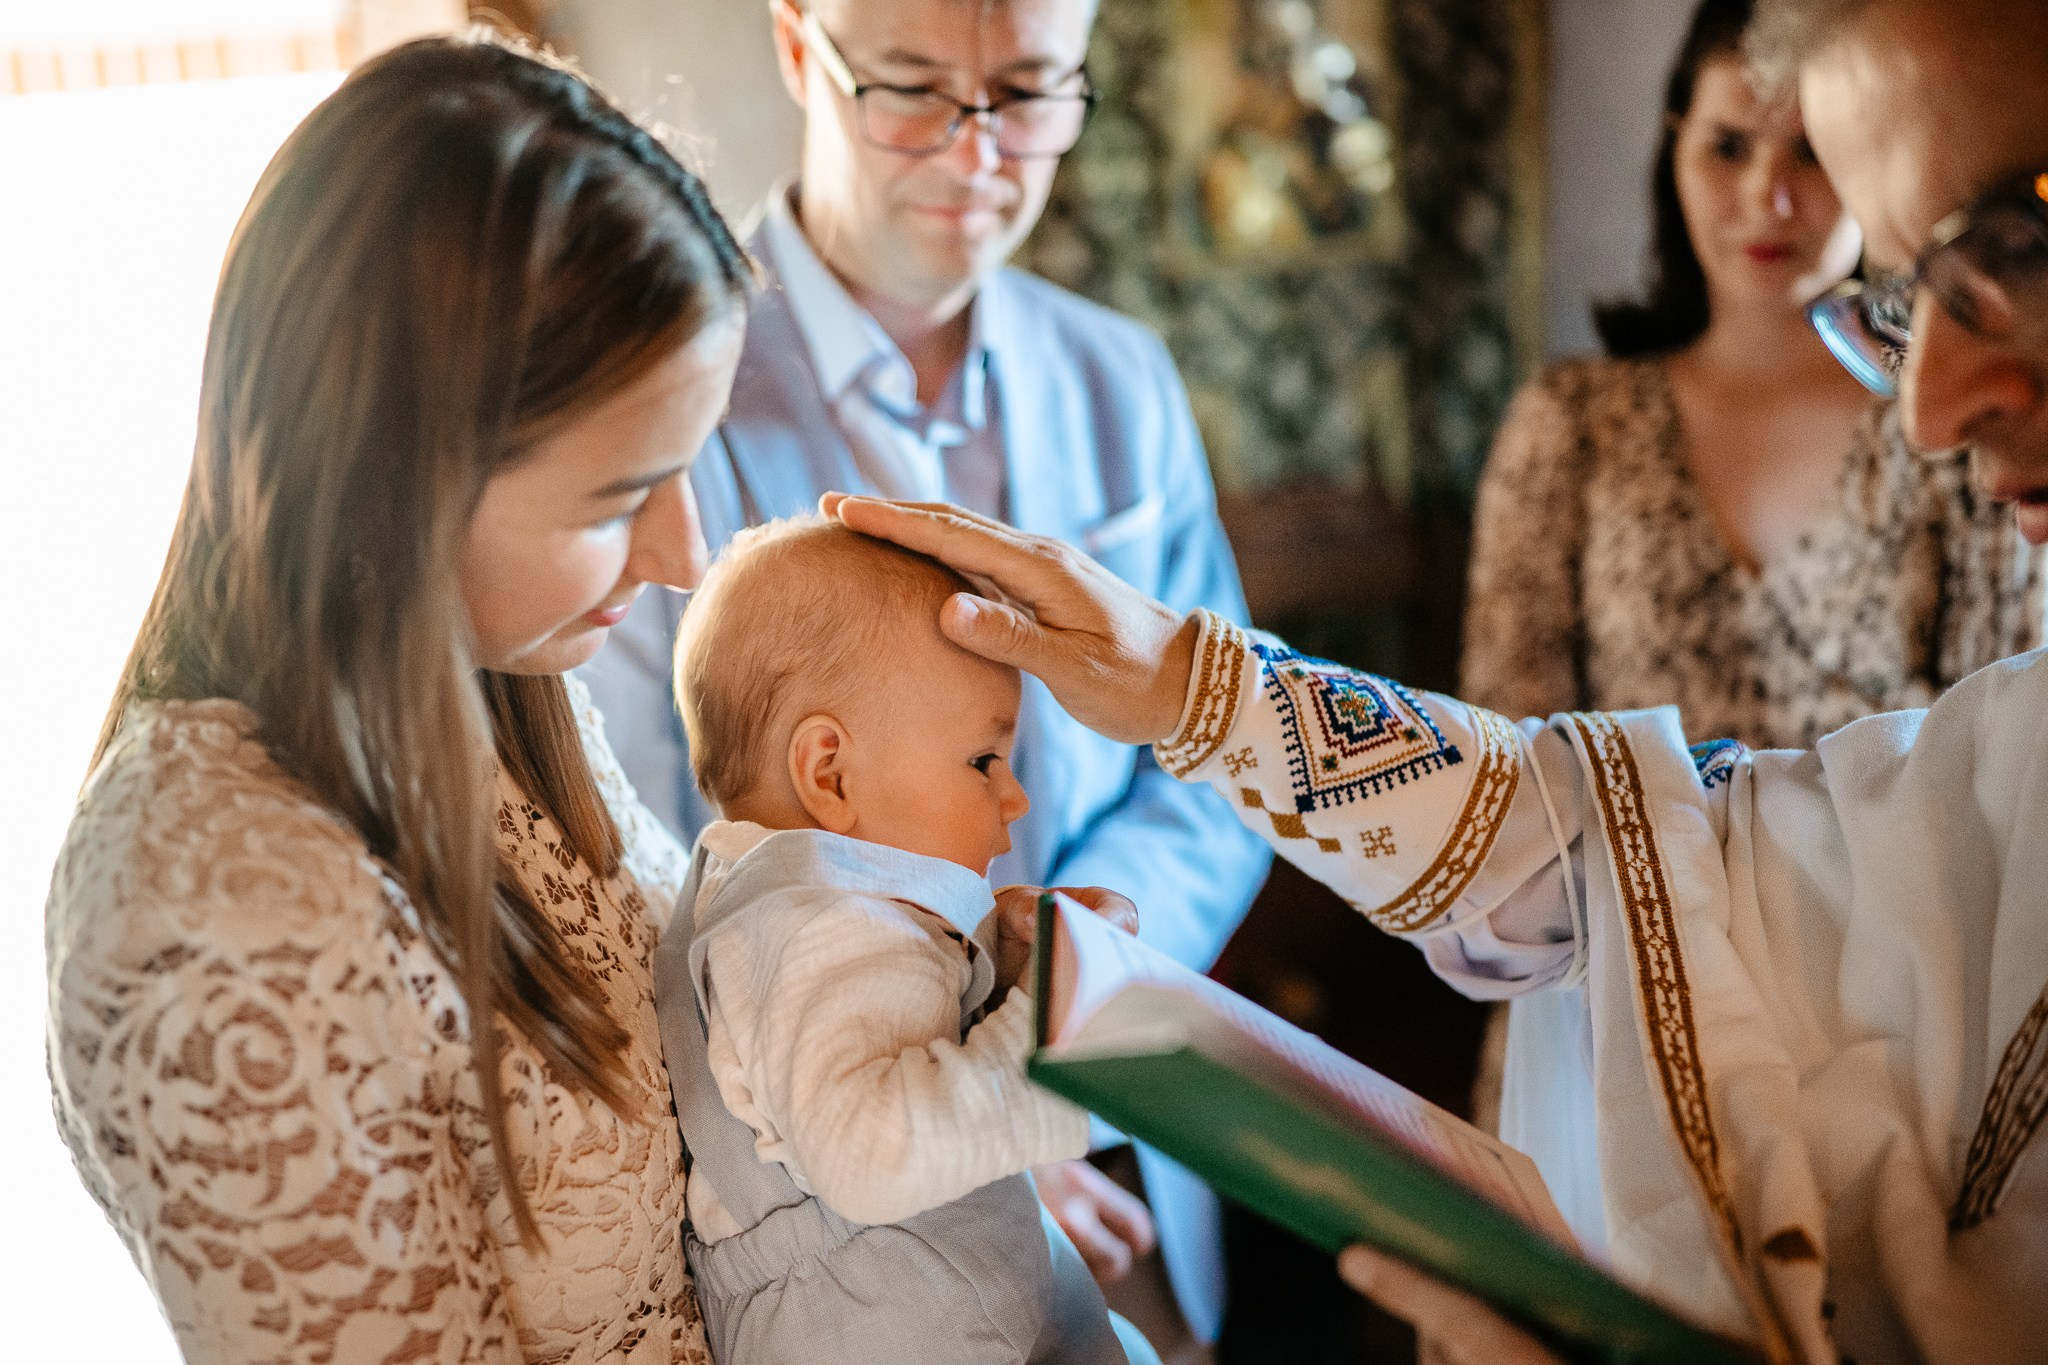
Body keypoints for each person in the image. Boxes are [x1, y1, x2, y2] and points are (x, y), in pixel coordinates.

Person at [820, 0, 2048, 1346]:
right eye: (1900, 308)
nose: (1932, 411)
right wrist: (1194, 690)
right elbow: (1666, 851)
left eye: (2012, 257)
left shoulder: (1115, 375)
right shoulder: (1589, 426)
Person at [45, 35, 751, 1361]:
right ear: (397, 472)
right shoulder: (223, 913)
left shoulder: (496, 677)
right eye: (616, 499)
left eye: (687, 466)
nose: (684, 556)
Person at [578, 0, 1270, 1349]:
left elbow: (1212, 765)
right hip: (852, 1196)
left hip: (1132, 1161)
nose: (975, 155)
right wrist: (980, 1123)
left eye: (1026, 93)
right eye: (910, 88)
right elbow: (652, 825)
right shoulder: (674, 391)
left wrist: (1079, 984)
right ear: (798, 49)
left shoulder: (1122, 377)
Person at [1464, 0, 2039, 751]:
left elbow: (2001, 764)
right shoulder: (1570, 425)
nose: (1768, 198)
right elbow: (1510, 765)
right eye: (1729, 147)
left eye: (1809, 153)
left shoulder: (1975, 431)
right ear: (1674, 150)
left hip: (1903, 871)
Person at [656, 515, 1156, 1363]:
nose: (1015, 797)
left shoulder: (826, 918)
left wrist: (1006, 975)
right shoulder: (818, 929)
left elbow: (904, 1055)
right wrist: (1051, 1021)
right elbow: (875, 1150)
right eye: (982, 761)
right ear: (831, 774)